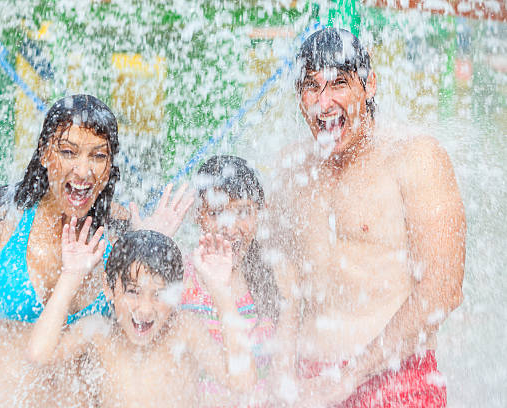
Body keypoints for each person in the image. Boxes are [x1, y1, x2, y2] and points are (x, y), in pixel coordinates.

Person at [0, 94, 189, 407]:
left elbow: (144, 333)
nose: (83, 170)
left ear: (110, 164)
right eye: (68, 152)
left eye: (98, 156)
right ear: (45, 152)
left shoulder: (119, 228)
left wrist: (151, 244)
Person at [267, 28, 466, 407]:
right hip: (308, 385)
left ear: (369, 85)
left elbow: (442, 290)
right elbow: (280, 281)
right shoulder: (292, 169)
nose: (323, 104)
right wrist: (280, 374)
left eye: (338, 84)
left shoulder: (415, 157)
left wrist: (348, 378)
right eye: (311, 87)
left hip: (396, 382)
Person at [26, 226, 258, 408]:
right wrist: (71, 276)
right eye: (133, 292)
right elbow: (39, 354)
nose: (145, 309)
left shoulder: (183, 329)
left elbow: (243, 381)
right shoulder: (98, 332)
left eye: (158, 295)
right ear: (109, 289)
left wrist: (220, 291)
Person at [181, 154, 281, 407]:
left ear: (260, 211)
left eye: (244, 212)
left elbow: (284, 375)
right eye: (216, 213)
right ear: (197, 214)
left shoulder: (274, 278)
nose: (230, 227)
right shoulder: (178, 278)